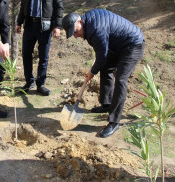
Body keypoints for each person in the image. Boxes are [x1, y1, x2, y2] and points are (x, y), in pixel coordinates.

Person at [61, 9, 145, 138]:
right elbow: (101, 54)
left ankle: (114, 121)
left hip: (133, 45)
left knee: (121, 79)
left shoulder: (96, 29)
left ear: (80, 21)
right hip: (118, 45)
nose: (76, 36)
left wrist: (92, 72)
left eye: (76, 31)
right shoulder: (89, 25)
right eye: (73, 34)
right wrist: (95, 68)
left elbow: (102, 55)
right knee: (105, 67)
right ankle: (107, 104)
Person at [16, 0, 64, 96]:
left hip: (45, 26)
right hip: (30, 24)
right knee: (26, 54)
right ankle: (29, 81)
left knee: (43, 56)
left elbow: (58, 6)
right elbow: (23, 5)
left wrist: (57, 26)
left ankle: (40, 84)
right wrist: (19, 22)